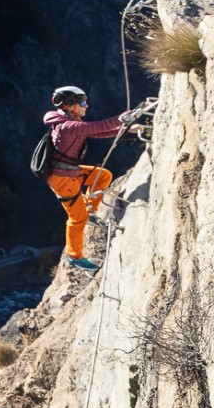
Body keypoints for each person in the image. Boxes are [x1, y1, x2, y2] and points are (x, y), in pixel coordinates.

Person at [44, 86, 148, 272]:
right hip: (63, 179)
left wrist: (125, 128)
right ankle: (74, 256)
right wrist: (122, 119)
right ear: (70, 106)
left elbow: (96, 132)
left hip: (70, 172)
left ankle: (90, 208)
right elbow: (95, 127)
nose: (87, 105)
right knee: (77, 218)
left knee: (103, 175)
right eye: (83, 102)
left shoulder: (70, 121)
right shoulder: (67, 126)